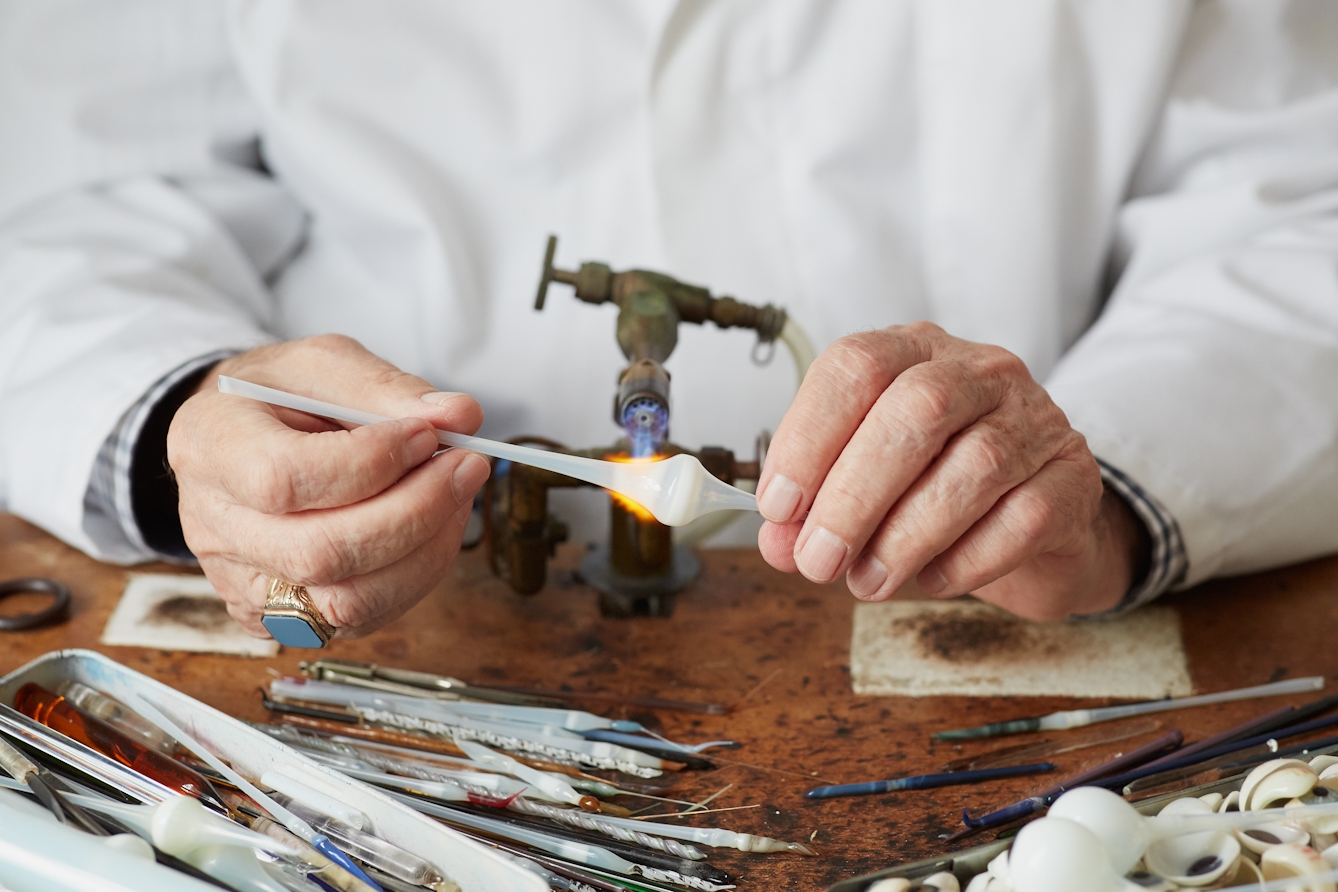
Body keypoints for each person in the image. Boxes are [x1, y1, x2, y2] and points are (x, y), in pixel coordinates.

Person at [2, 1, 1337, 640]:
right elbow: (63, 202)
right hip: (411, 634)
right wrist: (179, 426)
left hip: (995, 625)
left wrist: (1103, 481)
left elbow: (1307, 212)